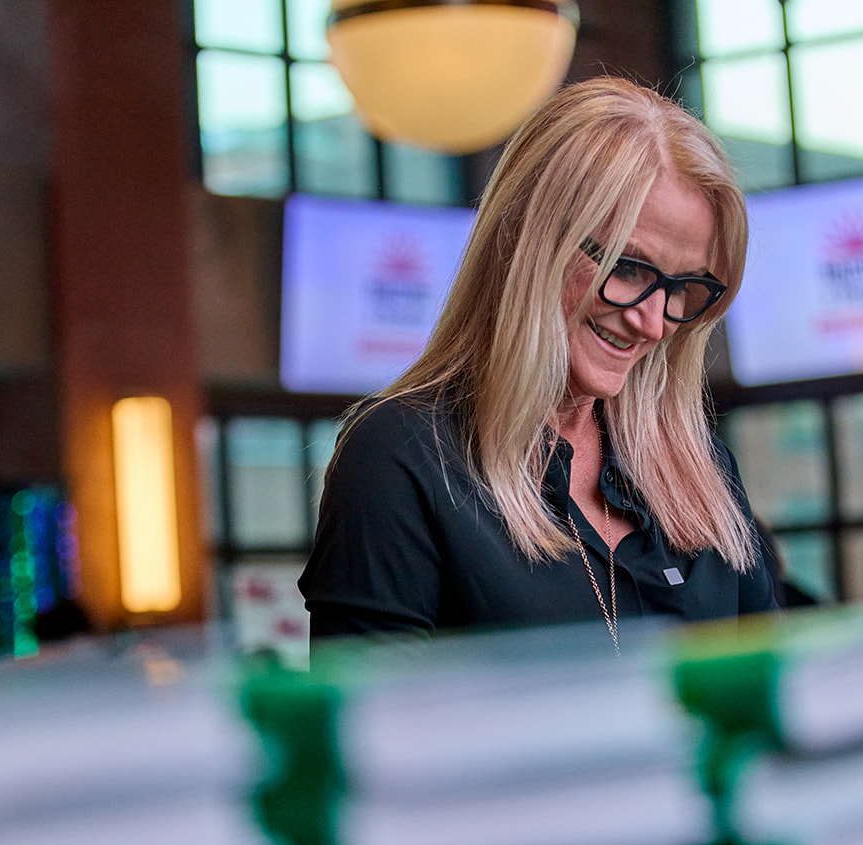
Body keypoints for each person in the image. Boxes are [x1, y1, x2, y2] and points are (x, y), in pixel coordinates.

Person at [299, 77, 783, 650]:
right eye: (628, 267)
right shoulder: (399, 457)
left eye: (682, 287)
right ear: (530, 239)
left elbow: (777, 689)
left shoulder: (703, 469)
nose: (654, 324)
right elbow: (371, 707)